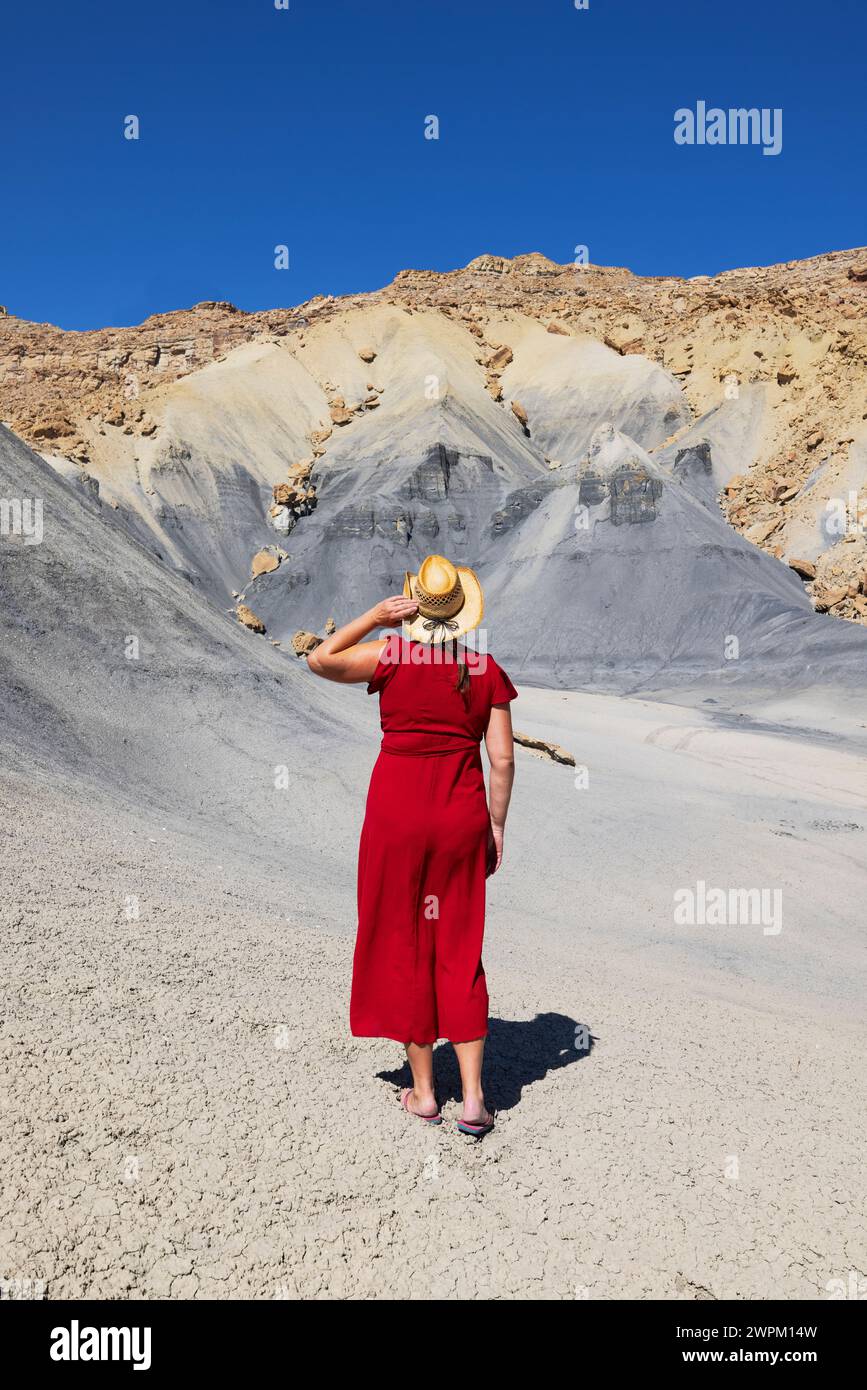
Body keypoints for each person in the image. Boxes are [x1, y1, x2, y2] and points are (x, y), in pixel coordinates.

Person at [307, 554, 517, 1138]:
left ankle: (425, 1093)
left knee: (405, 939)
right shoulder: (485, 671)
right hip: (460, 819)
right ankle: (474, 1100)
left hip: (396, 818)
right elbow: (501, 759)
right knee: (458, 943)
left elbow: (318, 659)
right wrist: (495, 827)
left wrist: (373, 617)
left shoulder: (392, 656)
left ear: (414, 609)